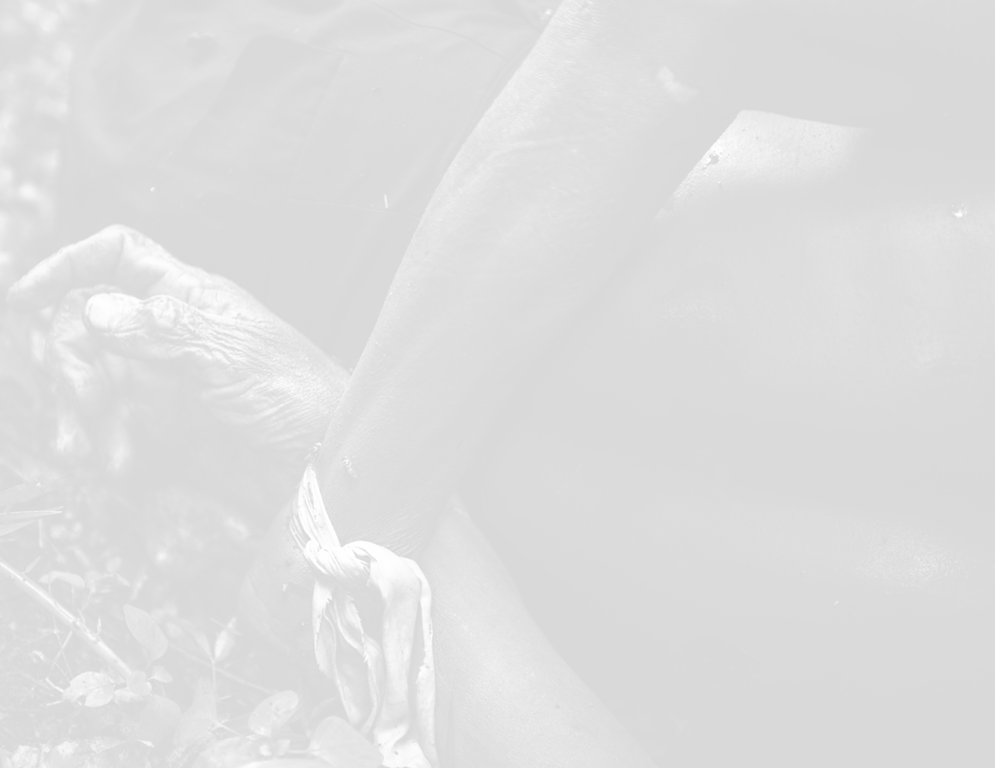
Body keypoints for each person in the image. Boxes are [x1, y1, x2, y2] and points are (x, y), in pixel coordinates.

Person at [7, 0, 992, 765]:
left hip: (300, 209)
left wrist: (330, 474)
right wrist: (353, 502)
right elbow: (686, 18)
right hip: (380, 118)